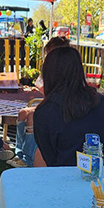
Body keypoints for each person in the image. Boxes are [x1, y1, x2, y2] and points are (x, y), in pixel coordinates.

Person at [33, 46, 104, 167]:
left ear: (48, 74)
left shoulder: (43, 112)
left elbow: (50, 157)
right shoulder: (101, 101)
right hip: (99, 176)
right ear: (79, 70)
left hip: (64, 177)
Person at [14, 35, 71, 165]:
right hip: (50, 103)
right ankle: (19, 152)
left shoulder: (66, 69)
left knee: (32, 117)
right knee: (23, 112)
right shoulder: (49, 68)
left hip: (62, 107)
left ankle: (28, 158)